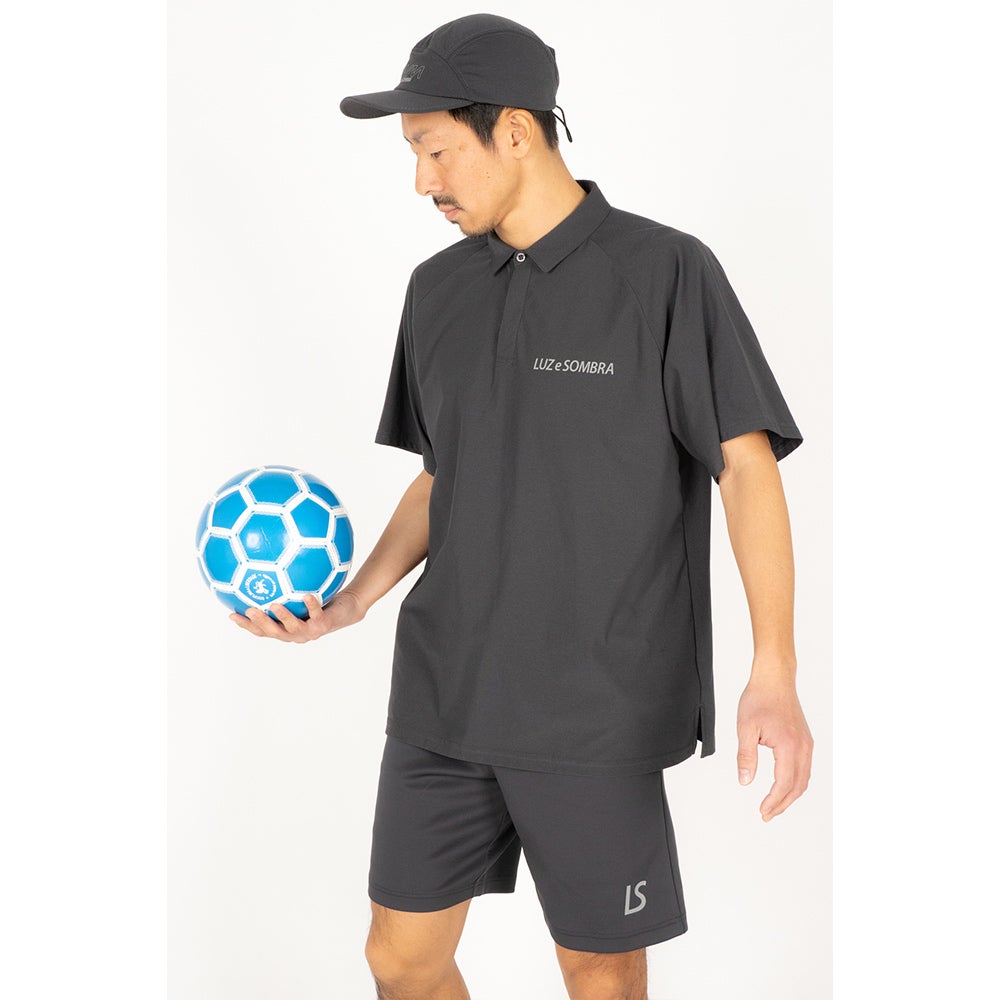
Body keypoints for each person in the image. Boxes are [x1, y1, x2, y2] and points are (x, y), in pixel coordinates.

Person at [231, 12, 814, 1000]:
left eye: (435, 149)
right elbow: (441, 475)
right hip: (444, 693)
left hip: (595, 706)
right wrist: (352, 601)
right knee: (398, 957)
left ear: (513, 130)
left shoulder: (664, 271)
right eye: (413, 155)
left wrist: (774, 670)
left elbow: (746, 467)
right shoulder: (436, 291)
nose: (422, 181)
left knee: (598, 969)